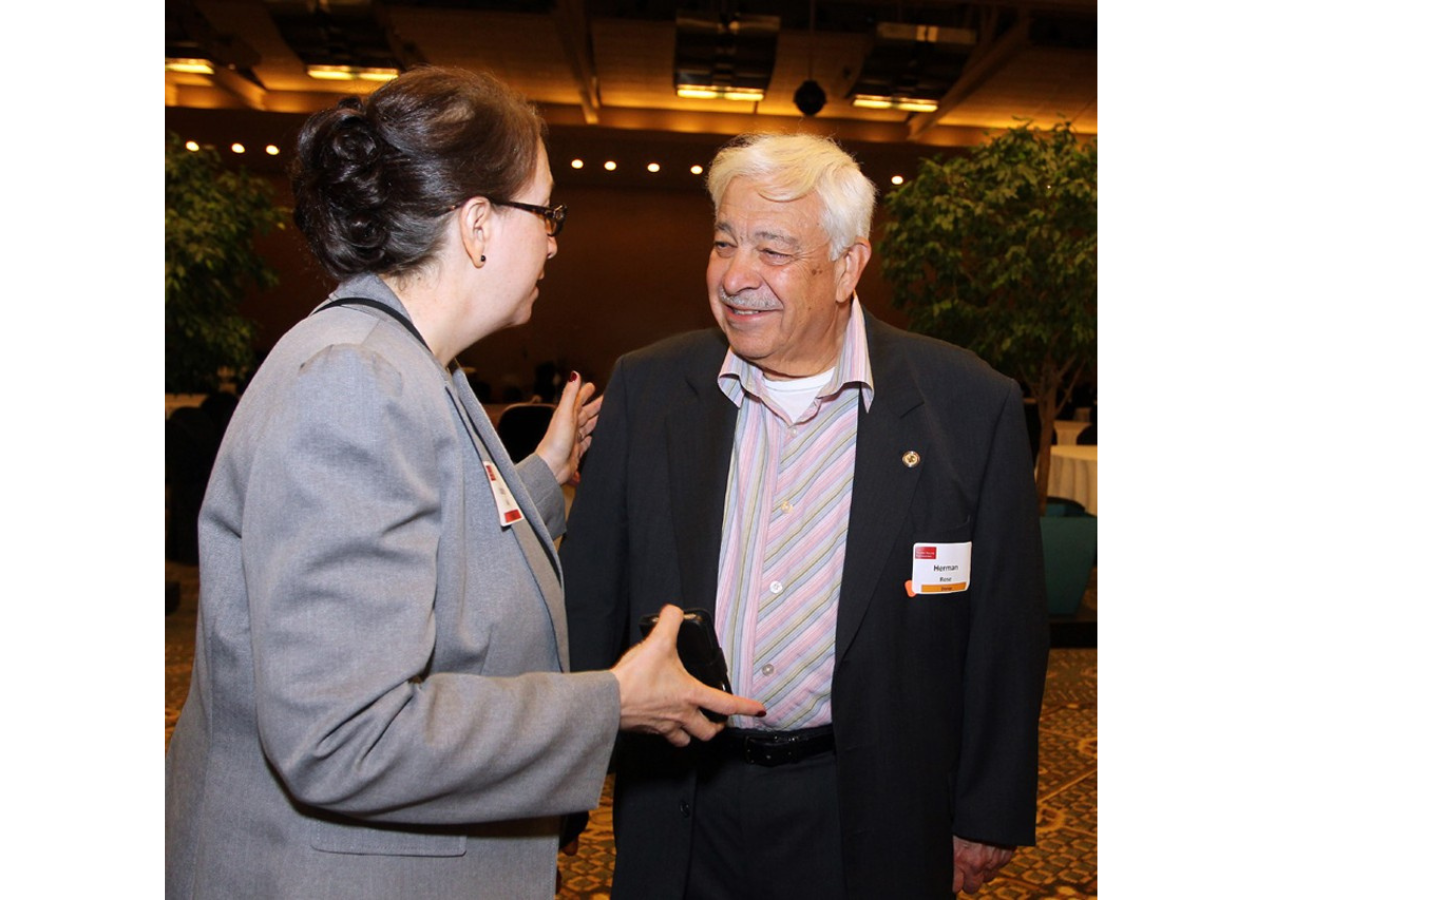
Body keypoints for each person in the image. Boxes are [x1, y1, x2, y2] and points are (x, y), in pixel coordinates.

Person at [164, 67, 763, 900]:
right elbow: (345, 735)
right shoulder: (357, 383)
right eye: (546, 214)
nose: (554, 243)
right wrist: (612, 703)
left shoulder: (411, 365)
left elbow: (424, 531)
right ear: (478, 225)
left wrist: (542, 477)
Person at [561, 132, 1049, 898]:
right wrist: (557, 792)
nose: (735, 276)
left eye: (773, 250)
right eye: (724, 243)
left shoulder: (966, 407)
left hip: (871, 807)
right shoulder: (649, 390)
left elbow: (1004, 631)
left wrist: (988, 809)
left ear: (848, 267)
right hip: (683, 799)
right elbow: (591, 598)